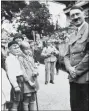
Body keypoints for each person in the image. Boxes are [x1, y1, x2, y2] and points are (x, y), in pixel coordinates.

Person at [64, 6, 89, 111]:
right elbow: (66, 55)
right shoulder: (72, 35)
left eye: (77, 14)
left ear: (84, 14)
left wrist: (76, 71)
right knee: (74, 107)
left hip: (85, 79)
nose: (75, 17)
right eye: (72, 15)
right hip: (73, 79)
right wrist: (69, 68)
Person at [18, 42, 39, 111]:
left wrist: (36, 71)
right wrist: (29, 82)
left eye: (29, 48)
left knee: (33, 98)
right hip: (27, 81)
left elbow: (34, 66)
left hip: (33, 79)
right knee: (26, 99)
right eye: (26, 49)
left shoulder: (30, 57)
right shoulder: (20, 58)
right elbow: (22, 71)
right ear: (21, 49)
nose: (28, 50)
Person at [5, 41, 24, 111]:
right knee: (15, 101)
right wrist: (15, 85)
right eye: (14, 48)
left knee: (19, 100)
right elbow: (10, 73)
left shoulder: (16, 57)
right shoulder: (9, 59)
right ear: (9, 49)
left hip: (20, 79)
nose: (17, 49)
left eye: (18, 47)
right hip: (15, 81)